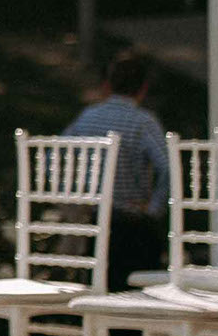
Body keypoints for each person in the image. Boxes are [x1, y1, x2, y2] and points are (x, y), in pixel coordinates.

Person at [66, 50, 170, 285]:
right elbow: (169, 168)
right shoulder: (143, 122)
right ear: (143, 89)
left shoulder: (88, 117)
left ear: (107, 85)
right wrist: (153, 208)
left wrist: (77, 196)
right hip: (131, 225)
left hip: (93, 222)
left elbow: (57, 153)